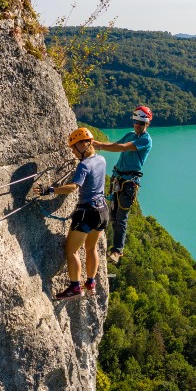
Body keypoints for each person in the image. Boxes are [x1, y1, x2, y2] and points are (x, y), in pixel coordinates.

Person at [42, 127, 109, 300]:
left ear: (83, 144)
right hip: (102, 211)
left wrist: (50, 190)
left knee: (71, 250)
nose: (72, 151)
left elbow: (73, 187)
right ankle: (91, 283)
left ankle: (74, 287)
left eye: (73, 147)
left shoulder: (84, 165)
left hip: (87, 212)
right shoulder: (101, 160)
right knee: (91, 247)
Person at [92, 105, 153, 263]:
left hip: (128, 183)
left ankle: (117, 251)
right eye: (135, 122)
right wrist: (99, 147)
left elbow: (123, 147)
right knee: (113, 215)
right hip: (117, 179)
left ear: (147, 124)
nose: (137, 125)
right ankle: (112, 246)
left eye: (141, 123)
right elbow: (115, 144)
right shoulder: (130, 134)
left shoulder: (145, 140)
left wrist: (98, 145)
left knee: (121, 217)